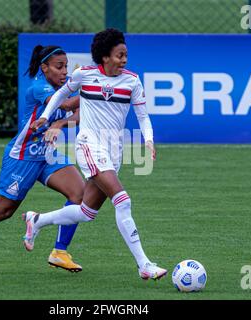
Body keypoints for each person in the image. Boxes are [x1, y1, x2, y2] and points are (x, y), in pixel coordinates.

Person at [24, 29, 167, 280]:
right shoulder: (85, 75)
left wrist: (149, 140)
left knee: (86, 213)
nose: (124, 59)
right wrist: (47, 116)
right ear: (104, 57)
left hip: (115, 151)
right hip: (89, 145)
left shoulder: (132, 81)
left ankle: (37, 220)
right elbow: (60, 94)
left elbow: (143, 116)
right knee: (122, 200)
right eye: (119, 55)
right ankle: (143, 264)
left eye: (125, 55)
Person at [0, 45, 86, 274]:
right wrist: (90, 89)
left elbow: (79, 115)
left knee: (79, 194)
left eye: (66, 66)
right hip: (23, 156)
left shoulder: (66, 84)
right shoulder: (38, 88)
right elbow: (66, 105)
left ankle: (59, 252)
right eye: (59, 66)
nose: (64, 71)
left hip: (47, 154)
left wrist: (62, 122)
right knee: (4, 210)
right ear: (45, 68)